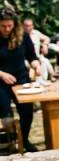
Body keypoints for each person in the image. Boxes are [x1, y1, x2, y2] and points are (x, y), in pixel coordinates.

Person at [0, 8, 40, 152]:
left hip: (21, 79)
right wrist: (2, 74)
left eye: (9, 26)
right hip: (1, 82)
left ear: (15, 24)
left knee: (27, 112)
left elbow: (31, 56)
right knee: (5, 113)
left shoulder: (23, 35)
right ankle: (10, 142)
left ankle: (23, 140)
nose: (6, 29)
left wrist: (36, 66)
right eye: (3, 26)